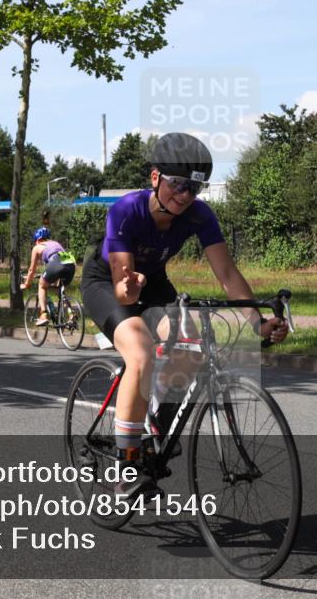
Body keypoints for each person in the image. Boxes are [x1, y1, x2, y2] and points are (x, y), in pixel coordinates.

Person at [79, 132, 289, 497]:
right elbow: (121, 286)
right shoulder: (126, 210)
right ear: (156, 178)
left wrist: (258, 324)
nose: (185, 195)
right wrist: (130, 287)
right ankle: (125, 466)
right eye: (178, 184)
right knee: (141, 352)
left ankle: (158, 428)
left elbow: (227, 274)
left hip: (155, 282)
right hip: (107, 283)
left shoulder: (199, 216)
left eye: (195, 188)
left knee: (192, 343)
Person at [21, 227, 76, 326]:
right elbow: (54, 267)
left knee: (42, 286)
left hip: (57, 262)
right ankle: (71, 314)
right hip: (70, 262)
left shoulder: (37, 247)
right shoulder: (55, 243)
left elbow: (31, 270)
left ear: (38, 240)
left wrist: (26, 284)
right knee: (60, 291)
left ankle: (43, 315)